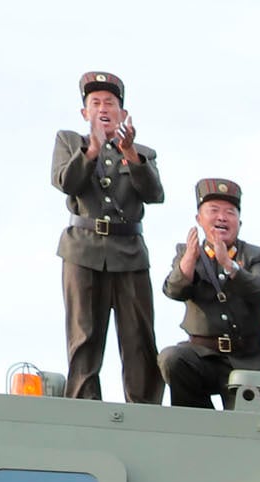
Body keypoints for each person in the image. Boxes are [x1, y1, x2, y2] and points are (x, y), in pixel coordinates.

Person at [53, 71, 164, 404]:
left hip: (129, 251)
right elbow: (66, 182)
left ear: (122, 113)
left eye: (110, 103)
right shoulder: (71, 142)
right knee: (84, 335)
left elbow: (154, 193)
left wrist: (129, 153)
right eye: (95, 103)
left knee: (138, 339)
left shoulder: (142, 152)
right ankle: (84, 405)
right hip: (82, 249)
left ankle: (145, 408)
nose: (103, 109)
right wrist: (92, 150)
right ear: (85, 113)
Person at [158, 178, 260, 409]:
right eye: (214, 211)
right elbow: (173, 290)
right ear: (199, 219)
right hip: (203, 355)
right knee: (172, 359)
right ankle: (200, 425)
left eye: (230, 212)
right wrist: (189, 261)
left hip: (248, 360)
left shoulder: (254, 255)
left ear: (239, 221)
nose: (222, 217)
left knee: (256, 429)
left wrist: (230, 267)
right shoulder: (186, 252)